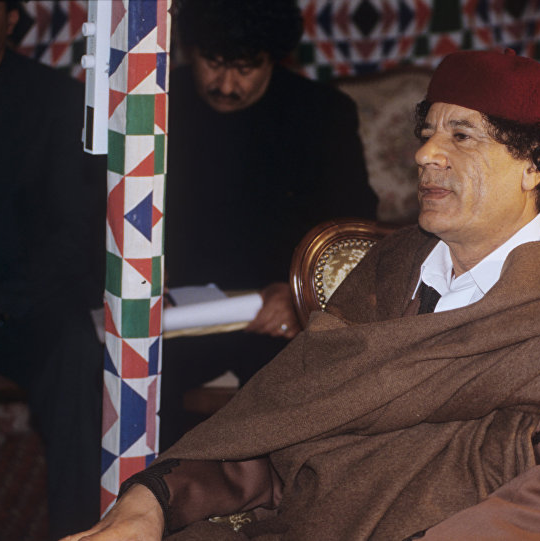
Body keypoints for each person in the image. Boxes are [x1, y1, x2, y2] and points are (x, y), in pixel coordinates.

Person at [64, 49, 540, 541]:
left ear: (534, 164)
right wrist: (156, 501)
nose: (425, 154)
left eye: (462, 136)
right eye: (427, 131)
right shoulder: (390, 271)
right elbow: (284, 429)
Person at [160, 0, 377, 449]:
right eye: (213, 63)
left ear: (273, 60)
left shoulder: (322, 113)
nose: (225, 85)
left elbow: (353, 229)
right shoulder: (157, 105)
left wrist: (298, 291)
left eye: (244, 69)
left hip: (276, 311)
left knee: (302, 393)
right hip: (175, 313)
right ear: (189, 51)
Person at [0, 0, 105, 537]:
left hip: (18, 308)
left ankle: (83, 531)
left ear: (11, 21)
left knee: (75, 351)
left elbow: (73, 234)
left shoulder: (56, 102)